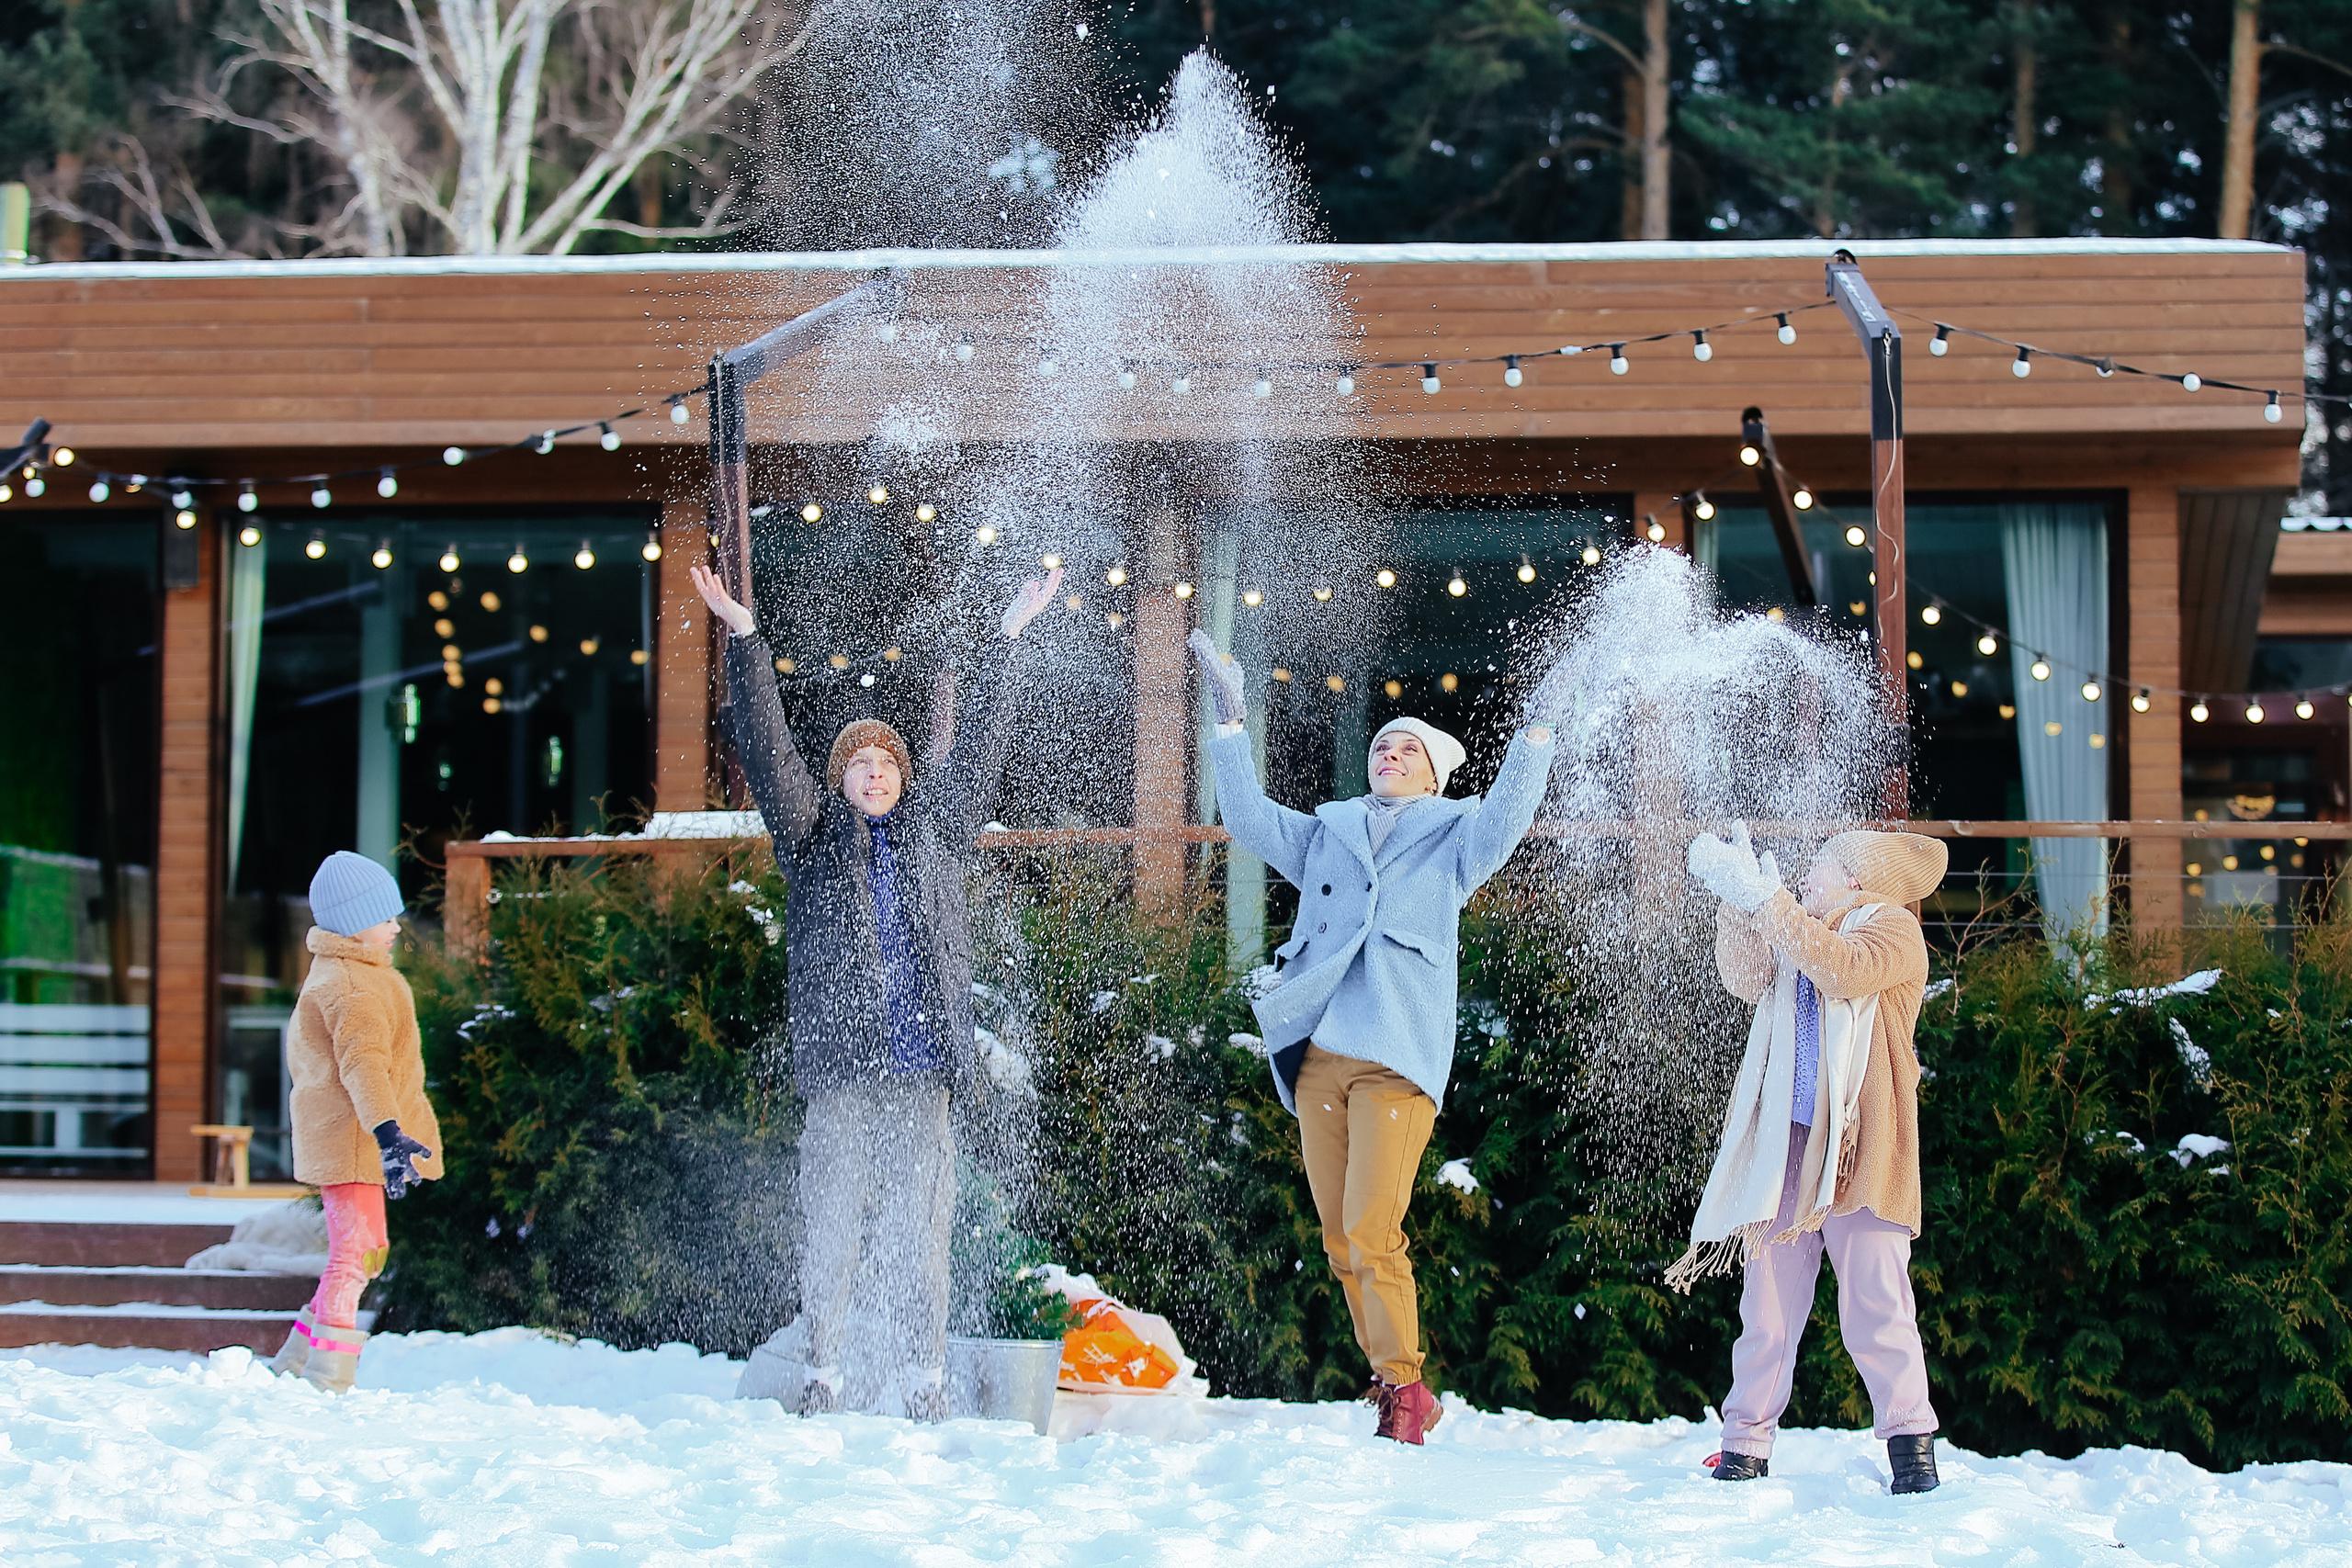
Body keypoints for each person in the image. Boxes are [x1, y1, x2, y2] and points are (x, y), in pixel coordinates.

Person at [690, 559, 1060, 1420]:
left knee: (920, 1227)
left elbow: (980, 753)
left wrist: (1004, 639)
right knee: (833, 1222)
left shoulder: (937, 834)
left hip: (923, 1063)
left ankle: (921, 1373)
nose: (875, 770)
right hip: (843, 1068)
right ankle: (824, 1367)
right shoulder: (812, 839)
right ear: (838, 780)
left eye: (886, 760)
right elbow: (767, 749)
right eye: (857, 762)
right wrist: (745, 640)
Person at [1190, 629, 1555, 1445]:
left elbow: (1508, 812)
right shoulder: (1329, 830)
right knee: (1337, 1235)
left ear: (1434, 772)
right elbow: (1247, 819)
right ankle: (1392, 1378)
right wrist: (1230, 716)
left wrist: (1538, 730)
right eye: (1383, 743)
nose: (1390, 752)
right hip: (1320, 1052)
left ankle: (1403, 1385)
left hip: (1398, 1052)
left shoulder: (1457, 836)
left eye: (1408, 748)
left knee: (1370, 1227)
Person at [1677, 825, 1949, 1494]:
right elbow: (1746, 978)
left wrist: (1769, 901)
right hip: (1789, 1147)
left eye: (1822, 863)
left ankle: (1912, 1446)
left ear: (1857, 878)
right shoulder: (1798, 927)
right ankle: (1744, 1444)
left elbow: (1843, 969)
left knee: (1877, 1303)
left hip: (1864, 1148)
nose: (1805, 873)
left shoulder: (1890, 931)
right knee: (1765, 1306)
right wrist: (1735, 900)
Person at [271, 850, 442, 1394]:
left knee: (362, 1253)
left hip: (354, 1142)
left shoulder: (351, 975)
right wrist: (388, 1135)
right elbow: (363, 1068)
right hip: (355, 1142)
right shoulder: (353, 987)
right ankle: (329, 1377)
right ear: (351, 922)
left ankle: (296, 1361)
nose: (395, 927)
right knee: (357, 1254)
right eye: (384, 917)